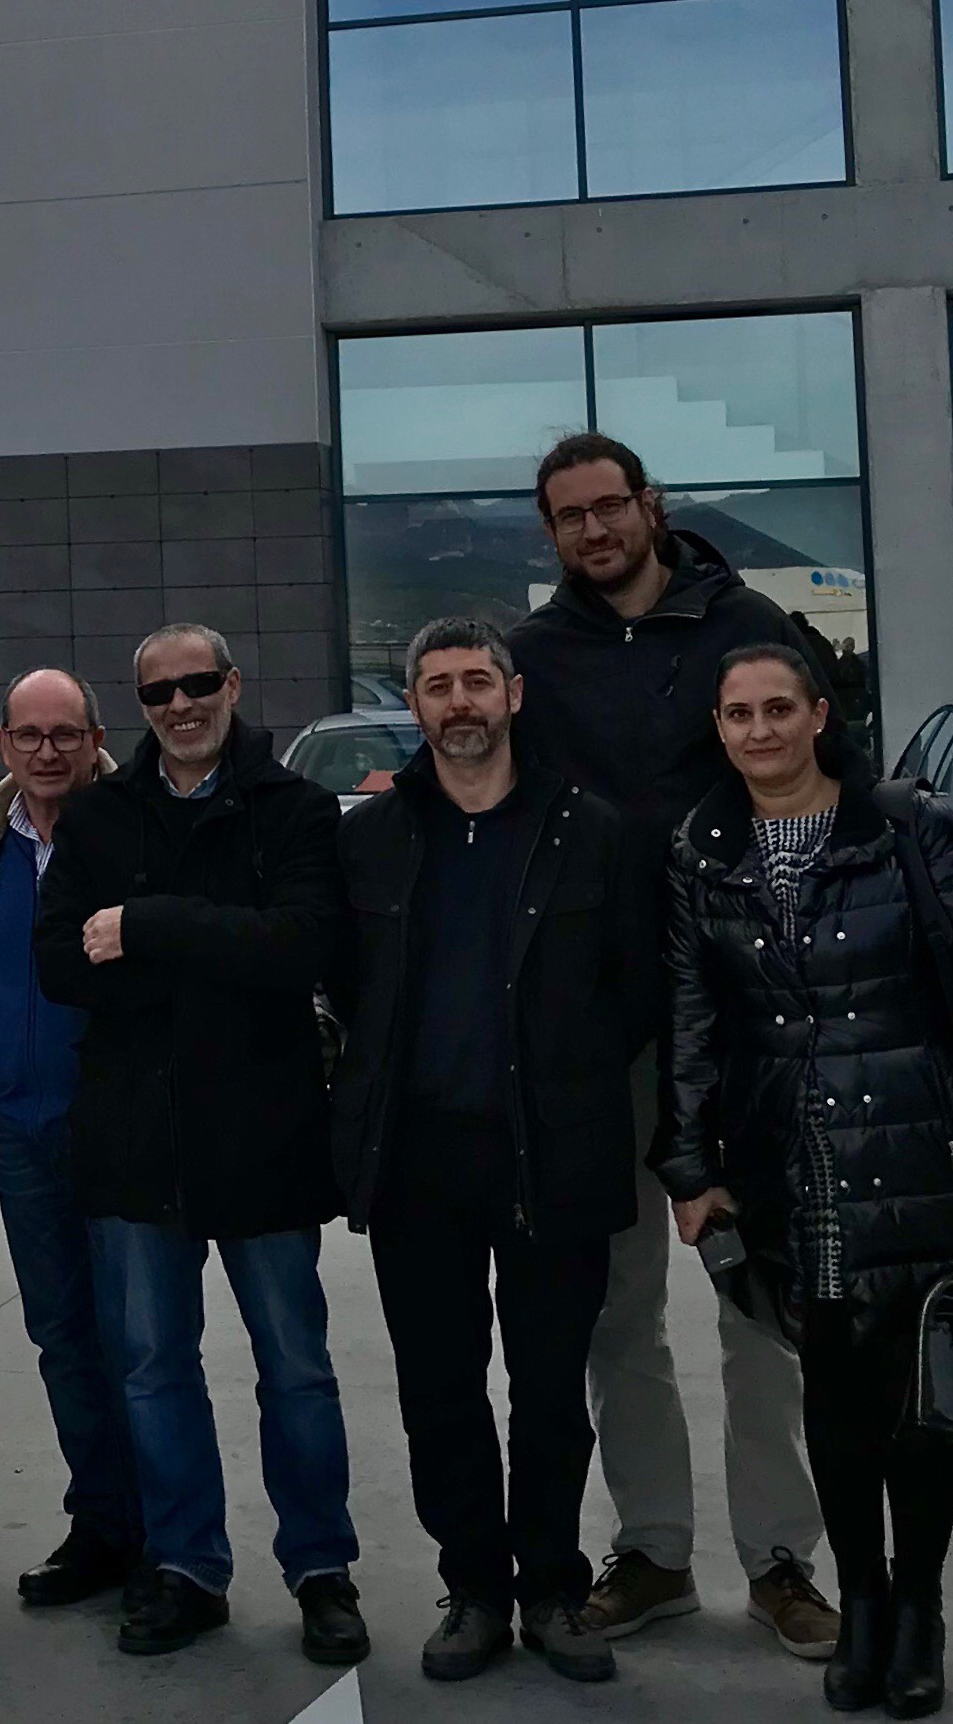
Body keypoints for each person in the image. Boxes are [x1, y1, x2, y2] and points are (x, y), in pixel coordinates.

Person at [655, 645, 953, 1717]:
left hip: (920, 1149)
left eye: (777, 707)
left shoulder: (904, 827)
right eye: (736, 713)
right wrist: (689, 1163)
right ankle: (863, 1601)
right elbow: (690, 1018)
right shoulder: (704, 849)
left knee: (921, 1399)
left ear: (818, 714)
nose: (759, 730)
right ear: (720, 728)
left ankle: (918, 1609)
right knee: (833, 1396)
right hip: (794, 1163)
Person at [508, 431, 837, 1658]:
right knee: (615, 1308)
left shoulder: (744, 624)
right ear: (548, 533)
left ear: (650, 507)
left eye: (607, 508)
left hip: (741, 1023)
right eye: (567, 517)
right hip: (600, 1032)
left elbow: (821, 782)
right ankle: (651, 1549)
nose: (592, 532)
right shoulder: (534, 658)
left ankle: (781, 1557)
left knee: (757, 1301)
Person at [34, 625, 364, 1665]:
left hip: (261, 1137)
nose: (179, 705)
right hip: (135, 1140)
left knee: (296, 1369)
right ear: (138, 706)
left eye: (195, 683)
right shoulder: (95, 816)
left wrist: (147, 923)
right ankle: (185, 1566)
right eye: (157, 691)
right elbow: (60, 963)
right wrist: (220, 940)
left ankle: (321, 1568)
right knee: (150, 1370)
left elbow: (304, 945)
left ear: (231, 684)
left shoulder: (296, 809)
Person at [330, 620, 650, 1686]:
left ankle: (553, 1589)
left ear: (512, 695)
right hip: (418, 1160)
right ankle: (471, 1587)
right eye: (436, 686)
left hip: (551, 1155)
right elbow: (343, 987)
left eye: (476, 681)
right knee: (439, 1390)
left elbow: (637, 990)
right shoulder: (372, 838)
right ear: (412, 706)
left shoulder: (587, 831)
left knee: (551, 1391)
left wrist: (570, 1075)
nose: (458, 701)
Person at [0, 667, 141, 1608]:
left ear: (94, 738)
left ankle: (168, 1532)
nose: (47, 752)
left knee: (140, 1340)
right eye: (28, 735)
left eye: (64, 733)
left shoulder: (133, 833)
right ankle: (101, 1520)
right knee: (62, 1335)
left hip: (118, 1132)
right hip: (22, 1133)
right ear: (3, 745)